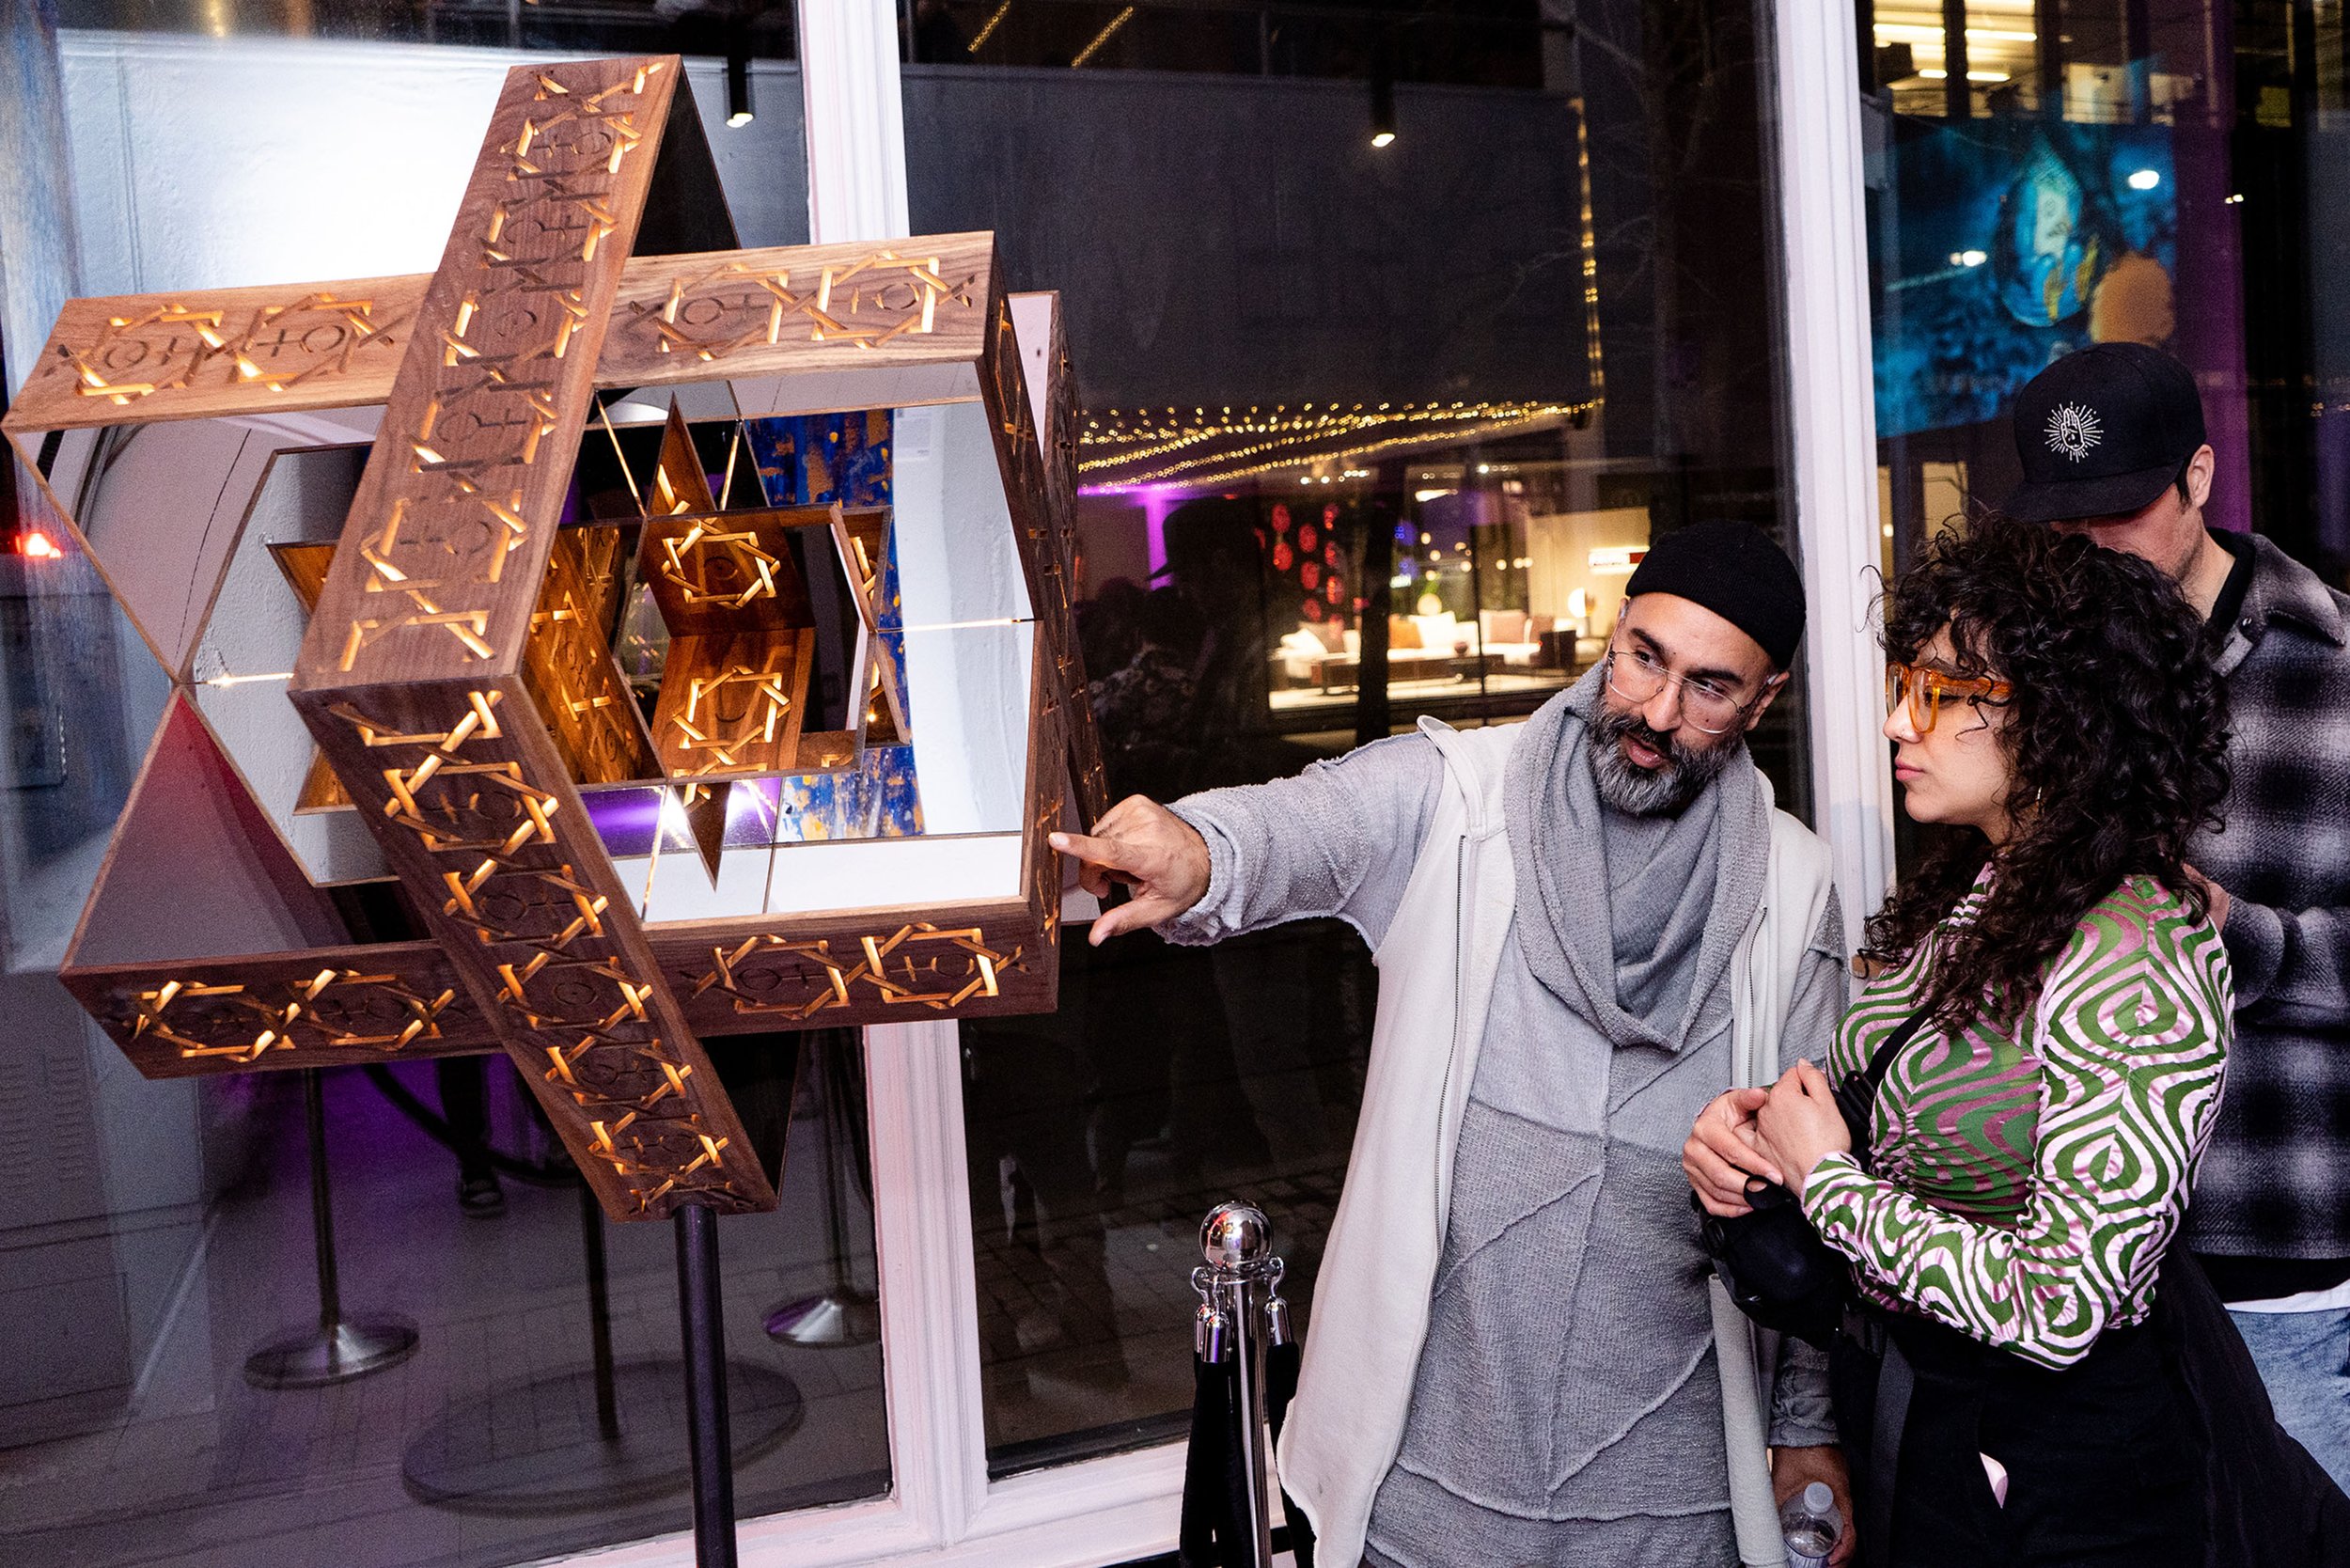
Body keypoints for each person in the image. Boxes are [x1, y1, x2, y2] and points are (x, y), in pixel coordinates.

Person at [1054, 520, 1854, 1568]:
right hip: (1430, 1493)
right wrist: (1200, 850)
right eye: (1644, 658)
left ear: (1764, 698)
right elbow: (1309, 824)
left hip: (1674, 1508)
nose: (1657, 712)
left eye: (1709, 687)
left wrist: (1805, 1426)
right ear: (1615, 631)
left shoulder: (1792, 887)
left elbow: (1810, 1204)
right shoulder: (1463, 799)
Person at [1686, 516, 2232, 1565]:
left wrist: (1827, 1182)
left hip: (2062, 1477)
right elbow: (1884, 1107)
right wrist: (1752, 1134)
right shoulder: (1983, 888)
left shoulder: (2138, 947)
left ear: (2062, 717)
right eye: (1907, 683)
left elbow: (2062, 1304)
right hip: (1929, 1418)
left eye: (1940, 692)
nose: (1900, 720)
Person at [2003, 343, 2350, 1489]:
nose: (2092, 548)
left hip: (2275, 1247)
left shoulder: (2335, 667)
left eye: (2119, 511)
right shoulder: (2030, 676)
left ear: (2198, 476)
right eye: (2065, 524)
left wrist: (2229, 928)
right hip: (2072, 1263)